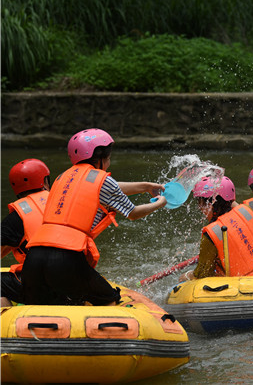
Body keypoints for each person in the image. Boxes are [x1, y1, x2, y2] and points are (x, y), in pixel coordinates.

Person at [21, 128, 167, 306]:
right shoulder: (101, 179)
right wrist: (160, 202)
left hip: (34, 258)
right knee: (110, 301)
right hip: (65, 259)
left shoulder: (63, 177)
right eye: (109, 158)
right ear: (101, 158)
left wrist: (145, 186)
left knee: (43, 308)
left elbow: (106, 188)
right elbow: (133, 213)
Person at [1, 159, 51, 307]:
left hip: (40, 287)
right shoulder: (64, 203)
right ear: (45, 182)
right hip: (76, 279)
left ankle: (7, 322)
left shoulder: (17, 216)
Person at [180, 175, 239, 280]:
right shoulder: (246, 214)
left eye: (200, 202)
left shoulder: (212, 233)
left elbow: (202, 275)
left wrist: (187, 276)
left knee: (183, 279)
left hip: (235, 285)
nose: (200, 208)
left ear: (210, 204)